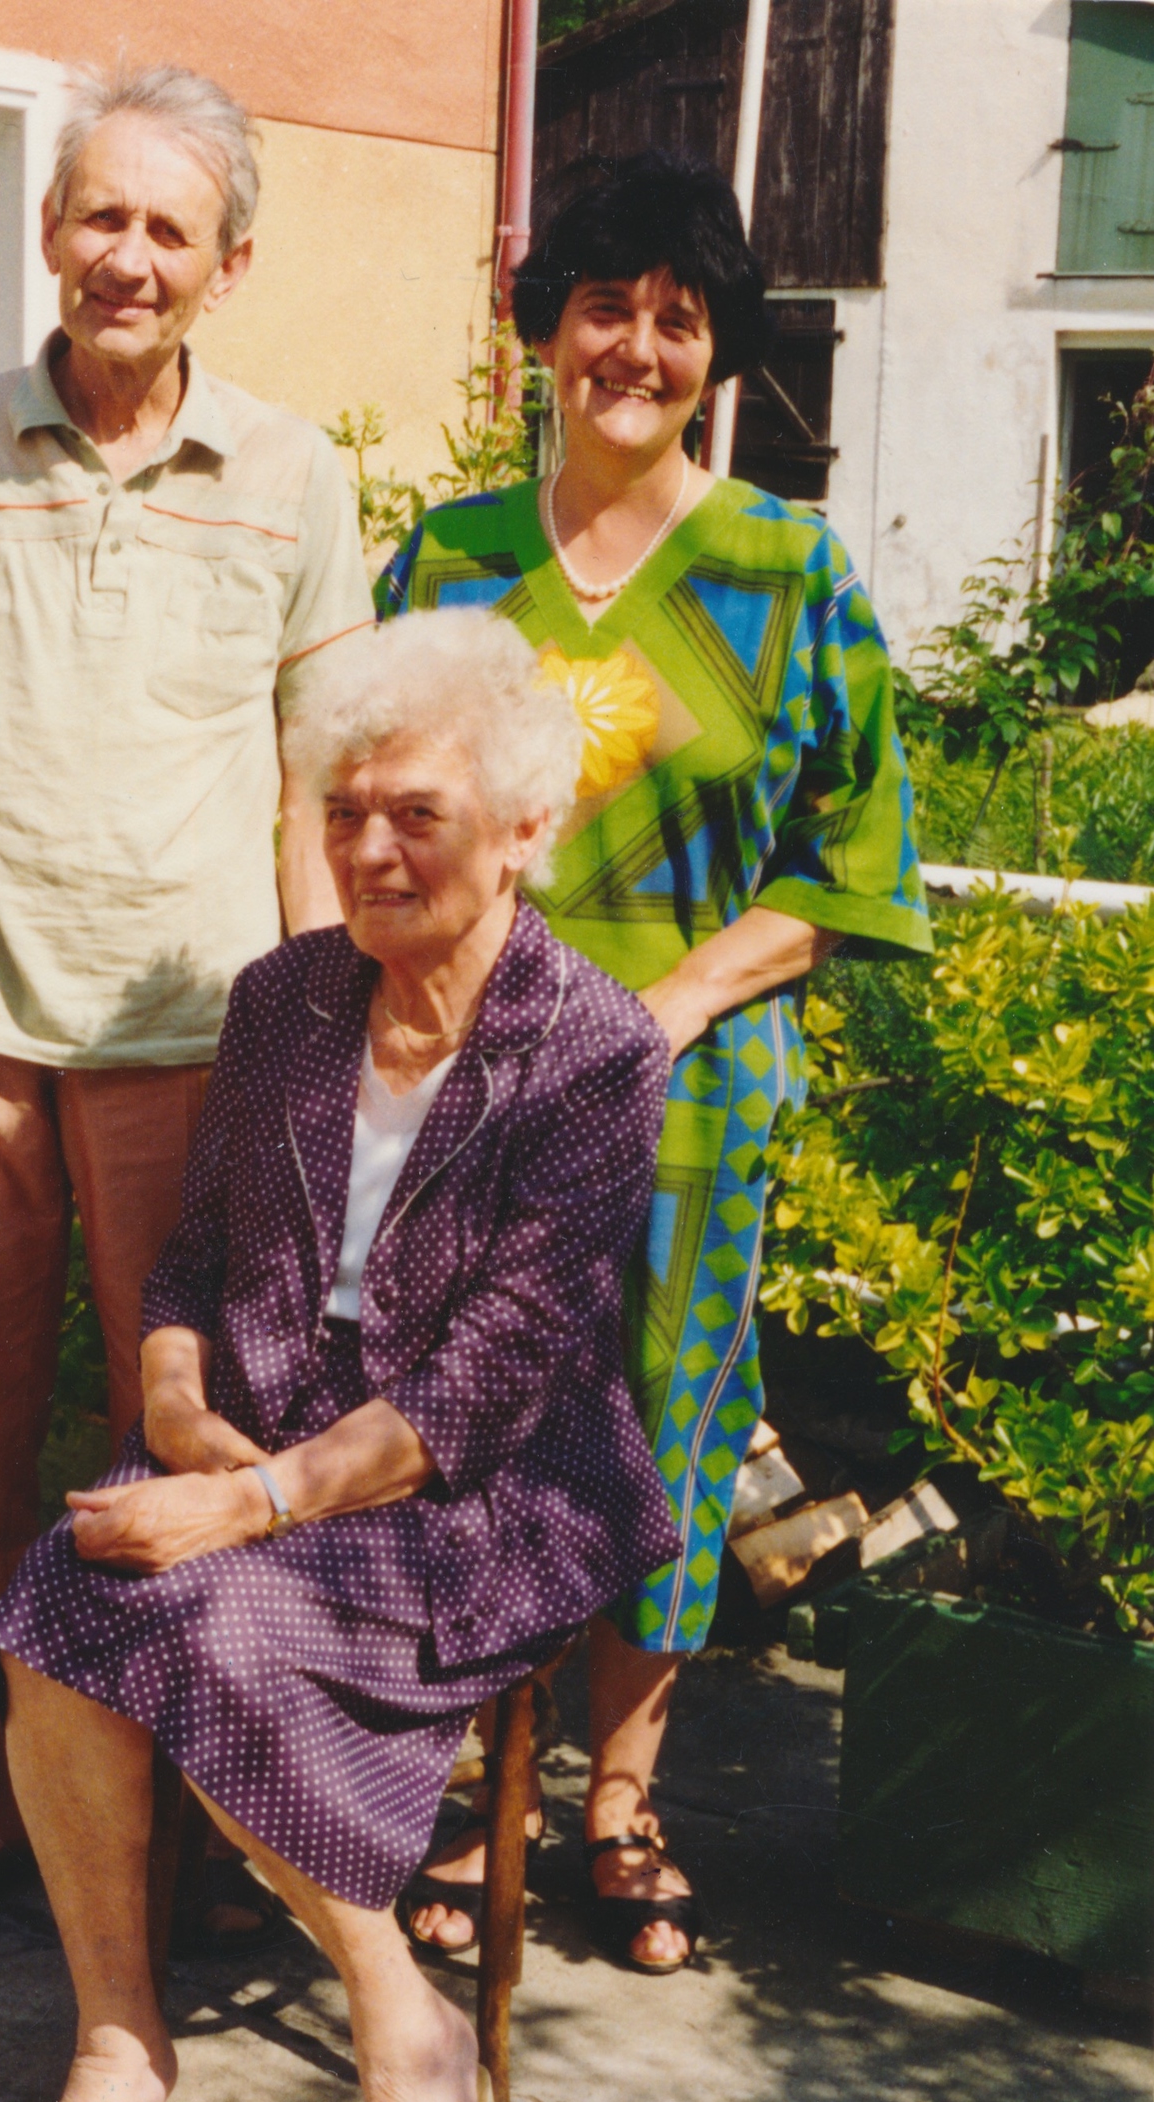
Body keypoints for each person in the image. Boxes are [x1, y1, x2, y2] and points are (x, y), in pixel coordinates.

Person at [0, 610, 680, 2102]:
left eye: (417, 814)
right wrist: (168, 1389)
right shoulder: (286, 1001)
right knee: (61, 1599)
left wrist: (246, 1501)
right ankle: (119, 2041)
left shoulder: (595, 1052)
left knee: (207, 1618)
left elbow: (484, 1387)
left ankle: (404, 2028)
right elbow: (195, 1257)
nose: (369, 850)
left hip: (495, 1487)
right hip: (269, 1428)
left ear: (524, 829)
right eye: (344, 810)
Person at [0, 62, 374, 1954]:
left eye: (168, 227)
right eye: (99, 216)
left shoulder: (293, 477)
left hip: (195, 1042)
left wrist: (320, 1058)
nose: (128, 256)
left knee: (190, 1442)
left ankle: (188, 1839)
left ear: (230, 264)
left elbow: (313, 785)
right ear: (51, 232)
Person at [377, 152, 931, 1971]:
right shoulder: (453, 560)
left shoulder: (788, 570)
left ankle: (620, 1796)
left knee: (665, 1429)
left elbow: (855, 862)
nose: (636, 347)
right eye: (604, 306)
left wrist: (672, 1003)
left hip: (690, 1090)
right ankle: (480, 1792)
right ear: (546, 331)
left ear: (719, 356)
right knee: (464, 1425)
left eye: (679, 320)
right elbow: (370, 806)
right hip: (468, 1081)